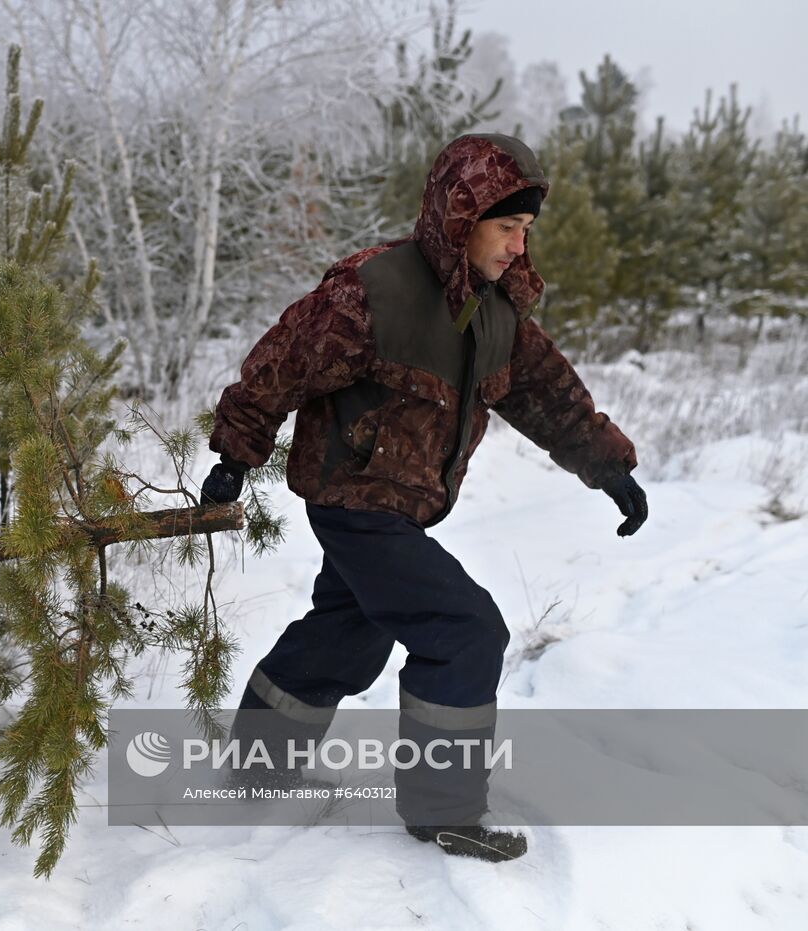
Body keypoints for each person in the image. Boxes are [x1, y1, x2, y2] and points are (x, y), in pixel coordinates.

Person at [200, 133, 648, 862]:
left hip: (404, 505)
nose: (516, 244)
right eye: (505, 226)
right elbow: (281, 364)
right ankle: (445, 809)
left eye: (525, 230)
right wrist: (235, 452)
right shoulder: (373, 291)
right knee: (465, 629)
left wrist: (609, 467)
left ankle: (259, 759)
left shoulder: (497, 312)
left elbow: (548, 395)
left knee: (350, 629)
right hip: (352, 496)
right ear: (460, 215)